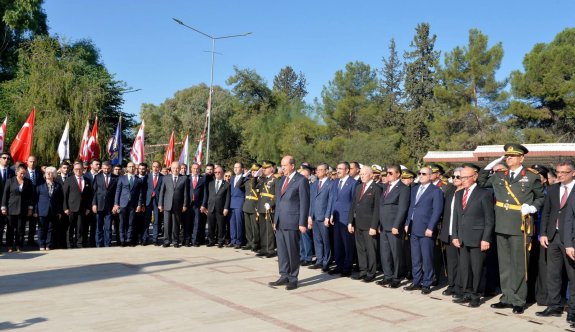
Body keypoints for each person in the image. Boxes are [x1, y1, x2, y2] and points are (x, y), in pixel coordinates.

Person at [479, 143, 545, 314]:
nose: (509, 158)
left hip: (520, 225)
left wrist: (532, 208)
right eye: (507, 156)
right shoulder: (500, 174)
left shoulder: (531, 176)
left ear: (521, 158)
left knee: (519, 264)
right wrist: (491, 165)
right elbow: (481, 181)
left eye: (513, 156)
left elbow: (541, 198)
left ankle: (519, 299)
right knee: (505, 264)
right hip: (501, 224)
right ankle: (507, 297)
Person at [451, 164, 495, 307]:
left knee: (477, 268)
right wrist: (455, 236)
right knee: (465, 268)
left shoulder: (484, 193)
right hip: (462, 237)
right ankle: (467, 293)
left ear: (475, 177)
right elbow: (456, 216)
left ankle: (476, 296)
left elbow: (489, 219)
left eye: (465, 177)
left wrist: (486, 238)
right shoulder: (458, 194)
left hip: (478, 237)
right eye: (461, 177)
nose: (462, 180)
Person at [537, 160, 575, 321]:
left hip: (571, 238)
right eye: (558, 172)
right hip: (553, 237)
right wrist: (544, 233)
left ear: (573, 173)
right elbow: (547, 212)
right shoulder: (553, 189)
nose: (559, 175)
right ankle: (554, 305)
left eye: (564, 172)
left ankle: (573, 310)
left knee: (572, 275)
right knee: (553, 273)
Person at [268, 155, 310, 290]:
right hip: (280, 221)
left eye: (285, 165)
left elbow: (304, 203)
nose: (282, 168)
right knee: (282, 251)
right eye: (282, 165)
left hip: (293, 221)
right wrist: (275, 220)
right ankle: (284, 275)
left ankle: (293, 278)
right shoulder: (281, 181)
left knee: (292, 251)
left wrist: (302, 222)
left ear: (292, 166)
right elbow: (279, 203)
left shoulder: (301, 180)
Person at [404, 166, 444, 294]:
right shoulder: (415, 189)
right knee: (415, 257)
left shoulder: (435, 191)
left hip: (426, 229)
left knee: (427, 258)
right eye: (419, 173)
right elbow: (411, 207)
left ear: (431, 176)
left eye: (424, 174)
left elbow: (437, 211)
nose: (421, 176)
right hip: (414, 227)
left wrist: (431, 227)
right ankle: (416, 281)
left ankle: (427, 282)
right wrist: (407, 223)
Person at [377, 164, 411, 288]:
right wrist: (379, 223)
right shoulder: (386, 187)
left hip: (394, 226)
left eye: (391, 173)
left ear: (398, 174)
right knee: (385, 253)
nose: (388, 175)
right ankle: (387, 275)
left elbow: (402, 208)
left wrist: (397, 225)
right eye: (387, 173)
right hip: (384, 225)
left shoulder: (403, 188)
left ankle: (397, 277)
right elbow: (382, 206)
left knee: (396, 253)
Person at [348, 166, 381, 283]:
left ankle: (371, 273)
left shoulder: (376, 188)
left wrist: (374, 226)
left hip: (369, 225)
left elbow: (377, 209)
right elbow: (353, 206)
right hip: (358, 224)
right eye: (361, 174)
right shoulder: (358, 187)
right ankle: (363, 270)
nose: (362, 176)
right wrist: (350, 222)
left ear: (371, 175)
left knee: (371, 250)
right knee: (360, 249)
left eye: (364, 174)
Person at [438, 167, 464, 297]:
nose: (455, 179)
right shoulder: (450, 191)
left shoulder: (466, 192)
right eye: (453, 177)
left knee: (461, 262)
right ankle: (451, 284)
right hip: (448, 231)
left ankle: (460, 286)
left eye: (458, 177)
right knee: (451, 261)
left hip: (460, 233)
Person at [328, 161, 357, 277]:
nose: (338, 170)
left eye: (341, 168)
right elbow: (333, 200)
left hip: (346, 218)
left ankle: (347, 267)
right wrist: (330, 214)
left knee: (347, 244)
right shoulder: (335, 183)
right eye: (337, 168)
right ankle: (339, 265)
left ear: (347, 170)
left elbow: (354, 203)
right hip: (336, 217)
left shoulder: (353, 183)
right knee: (337, 243)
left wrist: (352, 220)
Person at [2, 164, 33, 252]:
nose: (23, 175)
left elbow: (30, 196)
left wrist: (30, 208)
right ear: (17, 172)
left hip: (23, 209)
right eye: (21, 173)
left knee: (21, 229)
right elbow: (5, 194)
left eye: (24, 173)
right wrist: (3, 207)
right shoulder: (10, 181)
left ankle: (19, 245)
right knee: (10, 228)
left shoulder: (28, 182)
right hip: (11, 208)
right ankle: (10, 246)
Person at [308, 163, 333, 272]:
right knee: (317, 240)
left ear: (326, 171)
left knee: (326, 240)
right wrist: (309, 215)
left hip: (323, 217)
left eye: (321, 170)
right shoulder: (314, 184)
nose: (318, 172)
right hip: (314, 216)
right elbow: (311, 202)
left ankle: (326, 262)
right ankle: (319, 260)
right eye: (317, 170)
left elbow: (330, 202)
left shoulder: (331, 184)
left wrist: (327, 216)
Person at [113, 162, 145, 247]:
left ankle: (129, 240)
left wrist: (139, 204)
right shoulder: (122, 178)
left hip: (133, 205)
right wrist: (116, 204)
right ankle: (122, 240)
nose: (132, 168)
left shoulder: (138, 179)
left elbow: (140, 193)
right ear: (127, 168)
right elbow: (118, 191)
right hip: (122, 204)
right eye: (130, 167)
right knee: (122, 223)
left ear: (136, 168)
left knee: (131, 223)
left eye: (133, 167)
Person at [158, 161, 188, 248]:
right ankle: (167, 241)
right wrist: (160, 204)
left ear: (180, 169)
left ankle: (175, 241)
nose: (176, 170)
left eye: (177, 168)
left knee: (176, 224)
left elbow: (185, 193)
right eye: (174, 168)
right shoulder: (166, 178)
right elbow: (162, 192)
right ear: (171, 169)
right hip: (167, 205)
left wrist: (185, 205)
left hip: (178, 206)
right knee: (167, 224)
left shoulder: (184, 178)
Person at [63, 162, 92, 248]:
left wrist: (88, 208)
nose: (78, 171)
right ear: (73, 170)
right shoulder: (69, 180)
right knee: (70, 228)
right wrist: (65, 208)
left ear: (83, 169)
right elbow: (65, 195)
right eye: (76, 169)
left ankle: (79, 244)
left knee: (80, 228)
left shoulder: (87, 180)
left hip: (83, 208)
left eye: (80, 169)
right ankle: (70, 244)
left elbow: (90, 196)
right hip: (71, 208)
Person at [34, 167, 63, 251]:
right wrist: (36, 211)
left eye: (50, 172)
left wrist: (59, 211)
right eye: (47, 172)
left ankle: (48, 244)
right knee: (41, 228)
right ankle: (41, 244)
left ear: (54, 174)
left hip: (53, 211)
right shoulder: (40, 186)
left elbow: (60, 200)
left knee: (51, 228)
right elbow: (36, 199)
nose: (48, 174)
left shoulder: (58, 186)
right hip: (42, 211)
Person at [91, 161, 118, 247]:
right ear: (102, 168)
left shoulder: (115, 178)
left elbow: (116, 193)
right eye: (105, 168)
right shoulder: (97, 177)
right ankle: (98, 243)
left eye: (108, 168)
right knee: (99, 226)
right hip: (99, 205)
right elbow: (94, 192)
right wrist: (94, 204)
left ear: (111, 168)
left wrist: (115, 205)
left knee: (108, 227)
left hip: (110, 206)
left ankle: (107, 243)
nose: (106, 170)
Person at [203, 166, 230, 247]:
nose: (217, 174)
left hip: (221, 208)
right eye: (216, 172)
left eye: (219, 172)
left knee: (221, 225)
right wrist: (205, 206)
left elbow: (228, 197)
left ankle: (220, 241)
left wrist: (226, 208)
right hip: (211, 207)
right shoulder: (210, 183)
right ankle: (211, 240)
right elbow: (206, 196)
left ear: (222, 173)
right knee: (211, 225)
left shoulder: (227, 184)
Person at [256, 161, 278, 258]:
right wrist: (257, 175)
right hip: (261, 206)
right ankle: (264, 248)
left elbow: (277, 195)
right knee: (263, 229)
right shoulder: (262, 179)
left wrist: (271, 203)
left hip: (269, 207)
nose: (264, 169)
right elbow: (254, 187)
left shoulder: (276, 179)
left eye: (266, 168)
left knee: (269, 230)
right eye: (263, 168)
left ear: (272, 169)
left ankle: (270, 249)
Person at [242, 163, 261, 252]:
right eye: (252, 171)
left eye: (255, 171)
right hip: (247, 205)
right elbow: (238, 185)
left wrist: (256, 176)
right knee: (248, 227)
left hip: (254, 206)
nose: (253, 172)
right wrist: (244, 175)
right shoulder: (247, 180)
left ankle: (255, 243)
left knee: (255, 227)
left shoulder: (260, 181)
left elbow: (255, 187)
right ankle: (249, 242)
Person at [144, 161, 163, 246]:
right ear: (151, 167)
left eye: (157, 167)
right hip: (148, 201)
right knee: (146, 220)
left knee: (156, 221)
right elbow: (144, 189)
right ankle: (145, 238)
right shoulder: (147, 176)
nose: (155, 168)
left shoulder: (163, 177)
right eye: (154, 166)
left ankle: (155, 239)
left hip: (157, 201)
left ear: (160, 168)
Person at [229, 162, 247, 249]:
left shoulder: (245, 178)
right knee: (232, 223)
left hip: (239, 202)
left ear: (242, 169)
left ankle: (239, 241)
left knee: (239, 222)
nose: (235, 169)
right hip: (232, 202)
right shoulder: (232, 178)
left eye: (238, 167)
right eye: (234, 167)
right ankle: (233, 239)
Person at [189, 163, 206, 246]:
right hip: (188, 204)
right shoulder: (187, 178)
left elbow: (205, 194)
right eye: (194, 168)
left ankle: (194, 240)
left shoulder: (202, 179)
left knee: (197, 223)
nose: (195, 170)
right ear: (191, 169)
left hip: (198, 205)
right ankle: (187, 239)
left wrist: (203, 204)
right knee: (187, 223)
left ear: (199, 170)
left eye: (197, 168)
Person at [24, 155, 39, 246]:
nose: (32, 163)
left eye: (34, 161)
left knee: (33, 223)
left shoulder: (39, 174)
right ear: (27, 162)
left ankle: (31, 240)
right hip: (24, 202)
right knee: (22, 223)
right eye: (30, 161)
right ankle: (20, 241)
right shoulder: (23, 173)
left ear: (36, 162)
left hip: (36, 201)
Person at [0, 152, 14, 247]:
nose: (6, 160)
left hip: (9, 203)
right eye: (4, 158)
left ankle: (8, 243)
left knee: (9, 224)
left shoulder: (12, 173)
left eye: (8, 158)